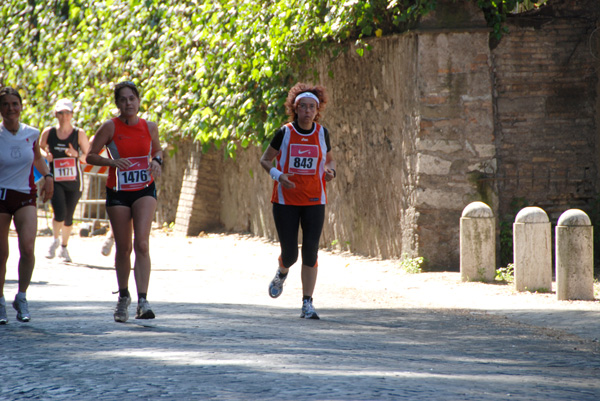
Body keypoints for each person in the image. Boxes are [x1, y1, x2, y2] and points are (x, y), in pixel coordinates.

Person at [86, 81, 162, 323]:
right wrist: (112, 163)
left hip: (144, 189)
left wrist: (157, 162)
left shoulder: (150, 126)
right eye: (123, 99)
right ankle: (124, 296)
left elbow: (157, 151)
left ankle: (143, 300)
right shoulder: (110, 126)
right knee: (124, 247)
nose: (128, 103)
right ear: (117, 103)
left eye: (132, 98)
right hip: (118, 190)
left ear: (138, 101)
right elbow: (89, 155)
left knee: (142, 244)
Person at [259, 83, 336, 320]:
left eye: (312, 107)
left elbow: (330, 162)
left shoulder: (322, 133)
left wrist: (330, 171)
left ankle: (307, 303)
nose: (308, 111)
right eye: (303, 106)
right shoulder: (284, 133)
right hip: (285, 201)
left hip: (314, 199)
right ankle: (282, 271)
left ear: (317, 110)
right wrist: (279, 176)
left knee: (311, 251)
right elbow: (265, 160)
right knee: (291, 254)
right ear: (296, 108)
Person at [0, 87, 54, 324]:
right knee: (1, 253)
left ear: (21, 107)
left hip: (25, 195)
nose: (11, 108)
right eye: (5, 104)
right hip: (0, 197)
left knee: (28, 248)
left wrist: (49, 177)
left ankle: (21, 296)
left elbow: (38, 158)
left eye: (15, 103)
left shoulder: (31, 133)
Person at [40, 99, 90, 263]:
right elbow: (39, 147)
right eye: (61, 113)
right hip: (56, 179)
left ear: (72, 115)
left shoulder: (79, 134)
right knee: (59, 211)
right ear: (56, 114)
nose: (64, 116)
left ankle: (64, 247)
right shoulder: (49, 132)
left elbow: (88, 156)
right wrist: (45, 155)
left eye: (67, 113)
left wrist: (76, 154)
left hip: (75, 181)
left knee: (69, 215)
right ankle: (54, 241)